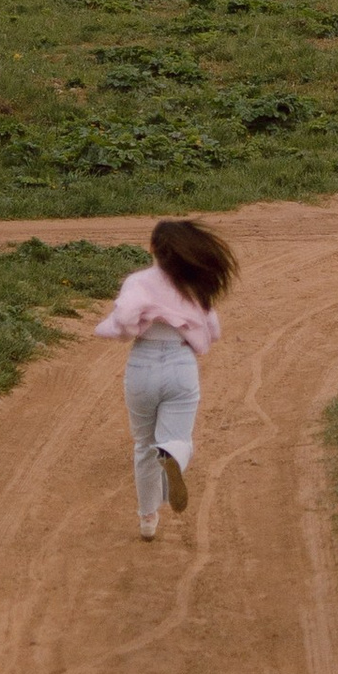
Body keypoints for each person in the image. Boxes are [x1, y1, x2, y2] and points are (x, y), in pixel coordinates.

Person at [93, 218, 236, 540]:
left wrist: (131, 328)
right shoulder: (193, 284)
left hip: (142, 365)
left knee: (144, 446)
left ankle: (147, 519)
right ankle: (171, 455)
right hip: (180, 365)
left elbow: (125, 317)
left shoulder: (139, 282)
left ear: (153, 249)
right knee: (178, 439)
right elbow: (214, 331)